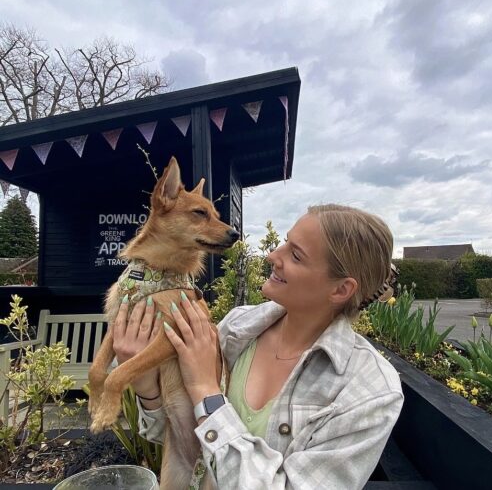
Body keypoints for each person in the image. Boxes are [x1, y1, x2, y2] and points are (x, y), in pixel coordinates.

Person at [112, 204, 404, 489]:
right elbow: (180, 436)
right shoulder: (237, 327)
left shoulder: (371, 390)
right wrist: (146, 384)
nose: (272, 256)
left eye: (296, 256)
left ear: (341, 290)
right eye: (285, 243)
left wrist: (207, 394)